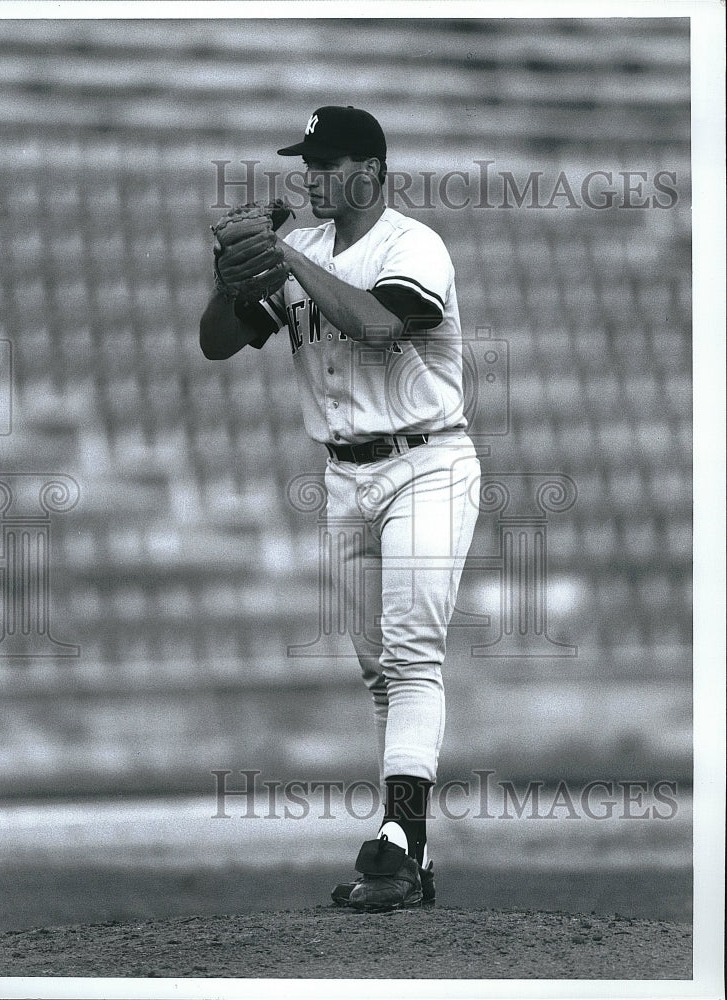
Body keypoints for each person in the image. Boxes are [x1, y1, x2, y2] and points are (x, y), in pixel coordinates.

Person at [200, 106, 480, 911]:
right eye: (308, 164)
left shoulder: (411, 244)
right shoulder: (308, 250)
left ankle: (396, 840)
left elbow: (378, 323)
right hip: (344, 477)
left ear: (369, 170)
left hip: (426, 462)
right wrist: (231, 276)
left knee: (411, 653)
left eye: (325, 165)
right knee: (377, 671)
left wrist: (281, 253)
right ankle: (408, 855)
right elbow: (215, 343)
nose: (311, 177)